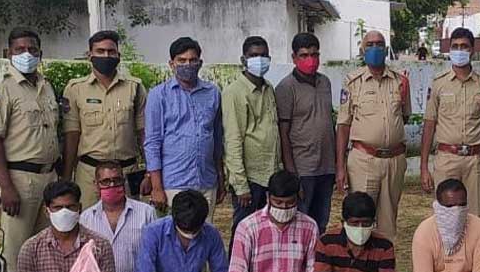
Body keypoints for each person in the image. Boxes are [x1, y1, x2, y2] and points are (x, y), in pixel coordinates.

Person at [0, 27, 61, 272]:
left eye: (32, 49)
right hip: (17, 179)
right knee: (15, 254)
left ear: (40, 53)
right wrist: (6, 187)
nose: (26, 54)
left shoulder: (46, 87)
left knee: (44, 251)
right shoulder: (0, 88)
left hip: (47, 177)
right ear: (8, 53)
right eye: (19, 49)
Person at [335, 30, 412, 241]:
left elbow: (403, 117)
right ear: (362, 50)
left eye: (379, 44)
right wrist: (340, 167)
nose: (375, 48)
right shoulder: (352, 82)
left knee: (388, 221)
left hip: (394, 161)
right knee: (360, 217)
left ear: (386, 49)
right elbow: (343, 125)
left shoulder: (401, 81)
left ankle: (384, 260)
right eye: (370, 45)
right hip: (364, 160)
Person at [420, 28, 480, 217]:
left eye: (464, 46)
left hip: (475, 161)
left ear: (472, 50)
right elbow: (429, 124)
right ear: (449, 50)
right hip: (446, 158)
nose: (459, 50)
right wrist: (424, 167)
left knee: (474, 216)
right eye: (455, 46)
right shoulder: (439, 83)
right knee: (445, 216)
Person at [61, 30, 148, 208]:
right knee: (88, 221)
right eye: (100, 51)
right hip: (89, 174)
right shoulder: (75, 89)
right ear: (90, 55)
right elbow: (72, 135)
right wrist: (66, 177)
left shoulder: (134, 87)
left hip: (126, 172)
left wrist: (150, 172)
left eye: (111, 51)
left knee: (130, 221)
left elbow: (144, 133)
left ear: (118, 56)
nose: (106, 56)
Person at [16, 180, 116, 272]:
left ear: (79, 208)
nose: (64, 213)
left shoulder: (100, 246)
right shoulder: (31, 249)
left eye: (70, 207)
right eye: (57, 208)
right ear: (47, 211)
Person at [144, 36, 225, 218]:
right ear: (171, 64)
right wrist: (157, 187)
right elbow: (152, 143)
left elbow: (217, 139)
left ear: (200, 63)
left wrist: (220, 178)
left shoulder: (212, 93)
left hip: (206, 181)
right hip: (173, 183)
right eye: (181, 60)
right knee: (174, 232)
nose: (187, 65)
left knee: (204, 230)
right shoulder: (158, 95)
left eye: (192, 60)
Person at [227, 170, 319, 272]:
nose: (284, 207)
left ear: (297, 198)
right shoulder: (247, 227)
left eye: (290, 203)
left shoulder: (309, 227)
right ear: (268, 197)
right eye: (278, 202)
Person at [224, 35, 282, 239]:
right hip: (250, 178)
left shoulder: (268, 88)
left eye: (264, 55)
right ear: (244, 59)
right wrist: (241, 186)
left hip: (270, 174)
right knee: (244, 233)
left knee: (266, 233)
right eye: (254, 55)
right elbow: (233, 140)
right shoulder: (234, 92)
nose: (260, 60)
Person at [276, 32, 336, 232]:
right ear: (294, 57)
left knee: (321, 222)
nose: (310, 60)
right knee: (301, 223)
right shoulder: (286, 88)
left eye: (314, 54)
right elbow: (283, 132)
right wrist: (292, 173)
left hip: (326, 167)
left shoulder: (325, 82)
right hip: (303, 169)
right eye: (304, 55)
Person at [78, 161, 156, 272]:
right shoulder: (86, 219)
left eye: (117, 180)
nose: (112, 185)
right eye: (106, 181)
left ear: (124, 182)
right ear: (96, 185)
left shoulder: (146, 213)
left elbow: (156, 252)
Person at [134, 190, 228, 272]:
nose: (190, 235)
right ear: (174, 218)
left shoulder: (211, 234)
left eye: (194, 231)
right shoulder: (154, 232)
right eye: (185, 231)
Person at [313, 191, 396, 272]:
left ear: (373, 223)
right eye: (355, 223)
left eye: (366, 223)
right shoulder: (327, 243)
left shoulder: (385, 247)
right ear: (343, 222)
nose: (360, 228)